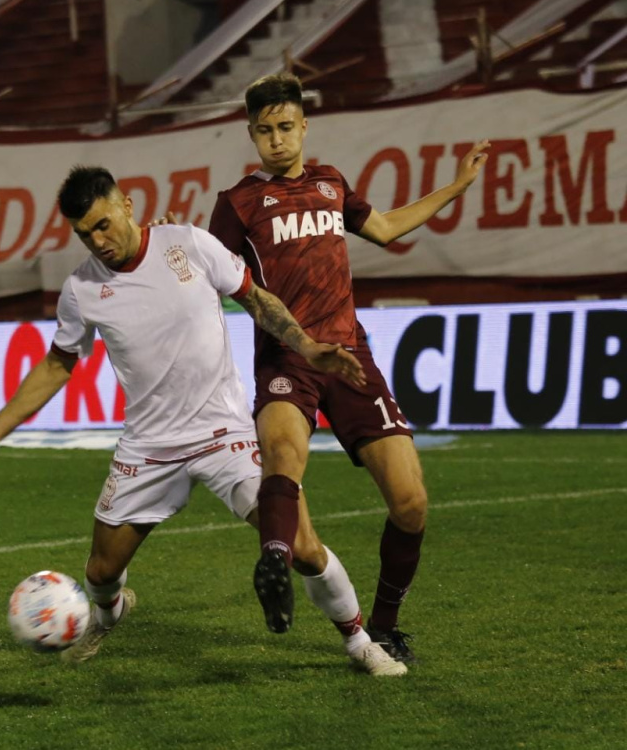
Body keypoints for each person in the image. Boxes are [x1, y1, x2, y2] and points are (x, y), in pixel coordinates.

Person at [0, 166, 406, 676]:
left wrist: (308, 346)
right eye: (84, 234)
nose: (98, 241)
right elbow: (57, 365)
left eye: (103, 224)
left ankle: (360, 642)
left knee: (302, 547)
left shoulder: (189, 245)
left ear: (127, 206)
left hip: (224, 435)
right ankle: (108, 615)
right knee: (100, 570)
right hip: (149, 446)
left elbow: (257, 299)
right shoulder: (82, 289)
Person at [209, 74, 490, 662]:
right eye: (265, 131)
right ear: (252, 133)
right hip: (287, 357)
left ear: (304, 126)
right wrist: (170, 244)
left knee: (411, 502)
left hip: (351, 355)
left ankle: (385, 625)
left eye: (286, 128)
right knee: (284, 455)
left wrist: (457, 188)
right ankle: (276, 562)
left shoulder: (331, 184)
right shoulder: (236, 204)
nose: (277, 141)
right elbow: (212, 276)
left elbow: (384, 229)